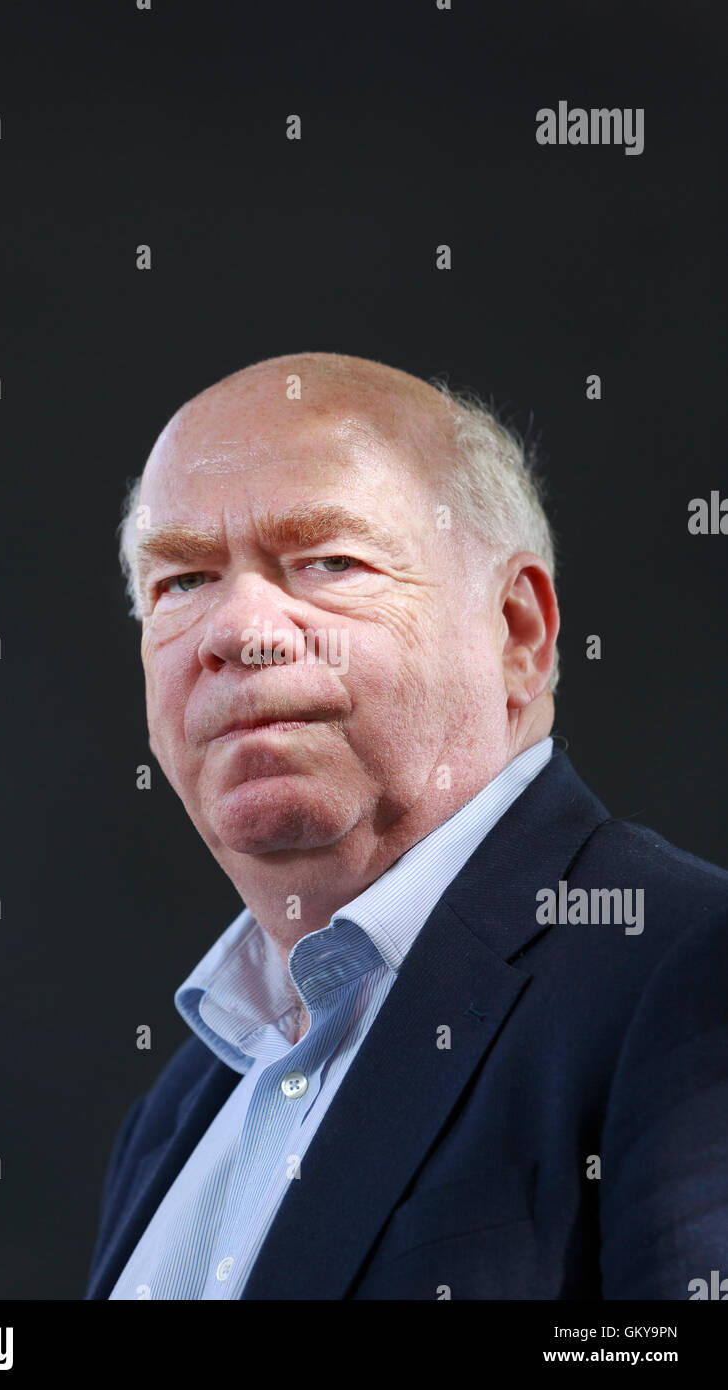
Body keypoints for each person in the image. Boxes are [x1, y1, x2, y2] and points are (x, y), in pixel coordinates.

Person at [85, 351, 728, 1300]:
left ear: (518, 634)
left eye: (328, 562)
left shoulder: (687, 975)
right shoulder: (178, 1108)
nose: (237, 628)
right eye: (181, 580)